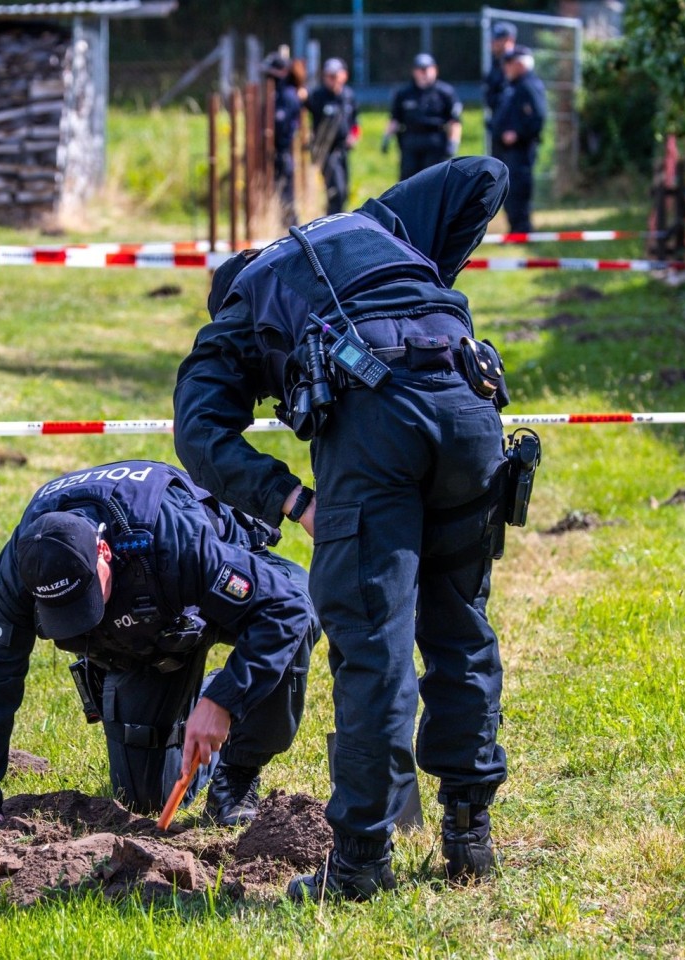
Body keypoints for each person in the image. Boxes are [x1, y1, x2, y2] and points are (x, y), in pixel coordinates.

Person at [173, 156, 514, 901]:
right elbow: (485, 175)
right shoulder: (374, 224)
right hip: (469, 399)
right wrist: (424, 281)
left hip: (379, 430)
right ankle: (468, 838)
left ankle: (360, 863)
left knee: (371, 642)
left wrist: (292, 500)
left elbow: (198, 434)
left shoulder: (238, 309)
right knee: (460, 622)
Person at [0, 460, 319, 840]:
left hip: (215, 586)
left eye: (85, 599)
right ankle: (201, 700)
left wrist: (225, 701)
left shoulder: (172, 536)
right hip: (152, 636)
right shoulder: (22, 566)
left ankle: (236, 771)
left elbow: (285, 610)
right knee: (148, 797)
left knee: (299, 621)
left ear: (104, 550)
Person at [491, 46, 547, 234]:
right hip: (507, 150)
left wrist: (518, 133)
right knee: (510, 191)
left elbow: (538, 117)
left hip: (520, 150)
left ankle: (522, 231)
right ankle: (516, 229)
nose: (505, 67)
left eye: (509, 63)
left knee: (518, 191)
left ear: (520, 64)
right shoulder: (514, 85)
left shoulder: (529, 85)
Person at [385, 54, 462, 181]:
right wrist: (386, 138)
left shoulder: (445, 93)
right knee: (408, 181)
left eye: (427, 69)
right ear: (414, 71)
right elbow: (395, 119)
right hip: (411, 141)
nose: (424, 73)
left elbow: (454, 121)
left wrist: (453, 143)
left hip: (435, 141)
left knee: (434, 180)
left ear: (435, 69)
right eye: (420, 69)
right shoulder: (404, 93)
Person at [305, 58, 360, 215]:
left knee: (344, 190)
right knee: (336, 190)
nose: (332, 80)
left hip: (343, 149)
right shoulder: (317, 96)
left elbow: (355, 122)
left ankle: (339, 217)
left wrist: (354, 136)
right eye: (329, 76)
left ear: (344, 76)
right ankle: (333, 220)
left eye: (335, 76)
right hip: (326, 151)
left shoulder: (349, 95)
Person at [266, 55, 303, 229]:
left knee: (286, 194)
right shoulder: (281, 94)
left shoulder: (286, 96)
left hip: (283, 151)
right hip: (279, 152)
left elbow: (281, 125)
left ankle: (291, 227)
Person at [483, 23, 518, 131]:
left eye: (497, 39)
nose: (493, 42)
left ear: (509, 40)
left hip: (514, 129)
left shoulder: (517, 64)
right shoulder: (496, 64)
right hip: (499, 125)